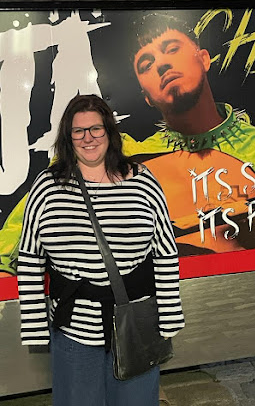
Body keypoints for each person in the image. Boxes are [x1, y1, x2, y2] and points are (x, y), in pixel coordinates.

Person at [17, 94, 184, 406]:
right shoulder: (47, 186)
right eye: (78, 131)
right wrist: (36, 328)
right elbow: (29, 259)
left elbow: (164, 250)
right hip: (74, 333)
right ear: (68, 138)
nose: (88, 138)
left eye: (96, 129)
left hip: (135, 327)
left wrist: (170, 318)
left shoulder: (142, 181)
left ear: (109, 132)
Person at [121, 13, 255, 253]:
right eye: (146, 65)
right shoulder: (126, 159)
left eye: (172, 49)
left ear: (204, 59)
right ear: (146, 96)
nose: (162, 64)